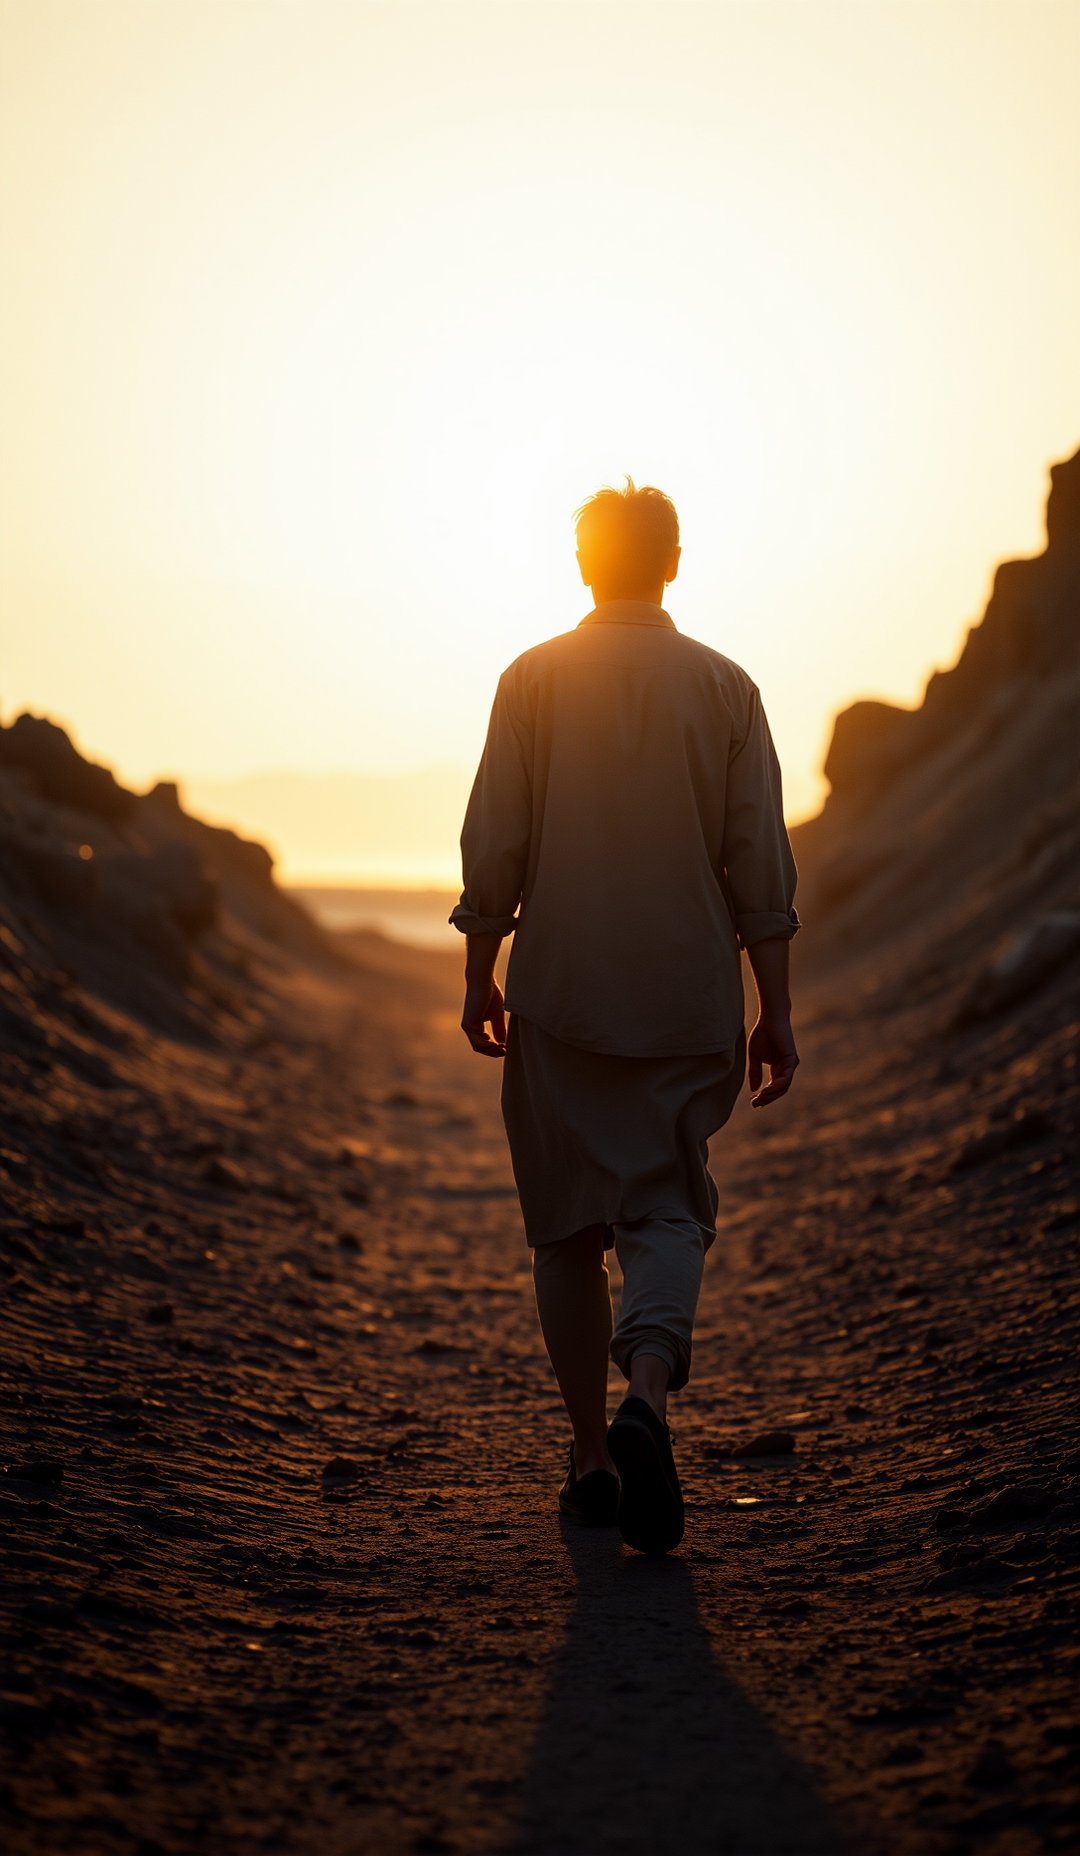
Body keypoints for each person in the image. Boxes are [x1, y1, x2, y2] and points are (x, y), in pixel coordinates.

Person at [450, 480, 799, 1555]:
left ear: (584, 564)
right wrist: (773, 1009)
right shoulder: (728, 688)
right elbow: (760, 865)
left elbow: (495, 840)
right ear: (676, 559)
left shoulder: (532, 679)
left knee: (565, 1227)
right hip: (689, 992)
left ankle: (595, 1454)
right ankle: (648, 1390)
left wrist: (480, 968)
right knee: (666, 1205)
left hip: (561, 991)